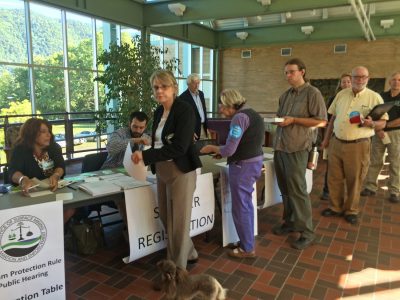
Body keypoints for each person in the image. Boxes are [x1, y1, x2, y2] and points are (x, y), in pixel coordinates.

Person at [131, 69, 202, 270]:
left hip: (181, 170)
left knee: (178, 222)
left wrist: (146, 156)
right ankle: (189, 253)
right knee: (166, 216)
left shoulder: (185, 110)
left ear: (174, 88)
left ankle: (176, 268)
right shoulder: (159, 111)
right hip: (162, 169)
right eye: (156, 87)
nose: (160, 91)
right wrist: (147, 151)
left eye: (164, 86)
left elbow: (180, 147)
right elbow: (159, 142)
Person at [200, 89, 264, 258]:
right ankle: (246, 241)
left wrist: (212, 148)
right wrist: (222, 152)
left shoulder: (239, 118)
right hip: (254, 162)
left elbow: (229, 149)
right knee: (247, 205)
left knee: (240, 208)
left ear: (231, 104)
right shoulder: (253, 114)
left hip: (242, 167)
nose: (220, 110)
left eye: (222, 105)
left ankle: (247, 249)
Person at [321, 66, 388, 225]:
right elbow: (332, 119)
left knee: (355, 179)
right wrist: (326, 139)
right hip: (337, 143)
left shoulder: (374, 97)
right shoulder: (341, 94)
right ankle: (335, 207)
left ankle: (351, 210)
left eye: (363, 77)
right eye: (356, 77)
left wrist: (372, 123)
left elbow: (383, 123)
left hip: (358, 145)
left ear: (368, 78)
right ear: (351, 78)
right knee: (334, 178)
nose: (359, 80)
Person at [272, 58, 327, 250]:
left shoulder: (313, 93)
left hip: (297, 147)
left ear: (302, 72)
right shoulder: (285, 95)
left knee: (297, 190)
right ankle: (289, 222)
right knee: (285, 189)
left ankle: (307, 232)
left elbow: (321, 121)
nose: (288, 76)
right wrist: (280, 121)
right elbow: (283, 118)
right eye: (286, 72)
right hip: (281, 146)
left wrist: (294, 120)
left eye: (291, 72)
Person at [8, 118, 74, 223]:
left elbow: (60, 166)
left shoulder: (54, 147)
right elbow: (13, 171)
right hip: (30, 196)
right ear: (32, 134)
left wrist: (56, 175)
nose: (49, 135)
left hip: (53, 191)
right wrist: (23, 179)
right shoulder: (20, 150)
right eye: (43, 132)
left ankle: (53, 232)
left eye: (49, 131)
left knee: (70, 208)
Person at [361, 71, 400, 203]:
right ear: (389, 82)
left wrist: (385, 125)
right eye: (394, 79)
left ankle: (394, 191)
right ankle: (370, 187)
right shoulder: (382, 96)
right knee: (375, 160)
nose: (396, 82)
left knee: (395, 163)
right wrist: (379, 129)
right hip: (378, 133)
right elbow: (375, 115)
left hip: (396, 134)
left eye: (399, 80)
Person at [320, 73, 352, 200]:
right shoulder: (335, 98)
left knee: (348, 168)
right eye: (343, 82)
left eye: (348, 81)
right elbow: (329, 119)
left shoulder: (358, 98)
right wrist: (326, 139)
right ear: (340, 84)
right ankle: (327, 190)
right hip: (334, 136)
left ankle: (346, 195)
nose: (346, 84)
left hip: (351, 138)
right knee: (332, 166)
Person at [179, 73, 208, 140]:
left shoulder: (201, 94)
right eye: (194, 83)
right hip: (192, 130)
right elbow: (183, 118)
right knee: (195, 149)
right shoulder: (182, 97)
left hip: (203, 127)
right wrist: (190, 131)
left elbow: (203, 110)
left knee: (204, 148)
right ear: (188, 84)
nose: (197, 86)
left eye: (198, 83)